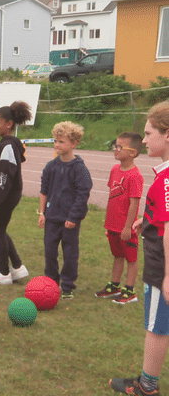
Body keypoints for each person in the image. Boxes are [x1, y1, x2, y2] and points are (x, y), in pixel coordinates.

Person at [109, 101, 169, 396]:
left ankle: (147, 386)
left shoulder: (167, 178)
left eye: (149, 133)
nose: (143, 140)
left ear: (167, 135)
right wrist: (144, 222)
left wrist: (167, 275)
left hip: (162, 266)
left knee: (157, 326)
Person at [38, 121, 93, 299]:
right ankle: (51, 282)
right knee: (49, 252)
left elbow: (82, 194)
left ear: (74, 143)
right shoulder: (51, 166)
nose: (57, 145)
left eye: (61, 142)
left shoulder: (79, 169)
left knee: (70, 254)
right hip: (52, 218)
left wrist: (73, 216)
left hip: (70, 221)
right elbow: (43, 191)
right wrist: (42, 213)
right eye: (55, 141)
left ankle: (68, 285)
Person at [0, 101, 32, 285]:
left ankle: (4, 273)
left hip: (7, 196)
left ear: (8, 124)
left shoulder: (9, 146)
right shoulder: (5, 144)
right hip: (3, 196)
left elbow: (4, 177)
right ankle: (17, 268)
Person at [95, 132, 144, 304]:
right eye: (115, 146)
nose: (115, 149)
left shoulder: (135, 176)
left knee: (131, 258)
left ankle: (129, 290)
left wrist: (127, 227)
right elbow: (113, 196)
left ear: (132, 153)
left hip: (125, 227)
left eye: (120, 147)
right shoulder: (115, 170)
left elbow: (133, 204)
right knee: (117, 255)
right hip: (112, 224)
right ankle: (114, 286)